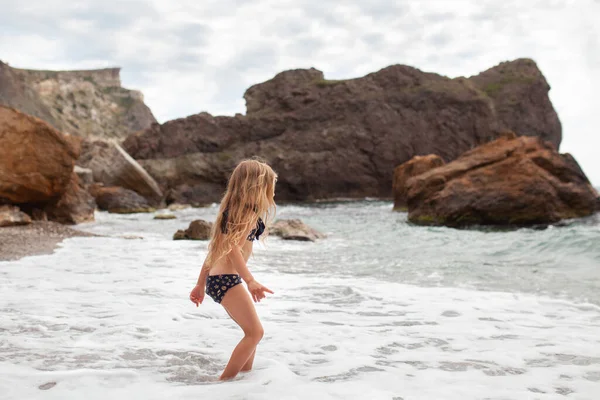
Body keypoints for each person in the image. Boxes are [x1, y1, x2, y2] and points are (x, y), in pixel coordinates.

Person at [189, 159, 277, 381]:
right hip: (227, 279)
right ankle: (222, 385)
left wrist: (201, 284)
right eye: (270, 186)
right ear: (257, 187)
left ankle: (243, 382)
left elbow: (214, 250)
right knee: (255, 333)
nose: (272, 192)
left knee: (252, 334)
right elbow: (231, 250)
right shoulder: (245, 214)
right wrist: (250, 280)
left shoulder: (231, 212)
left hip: (217, 279)